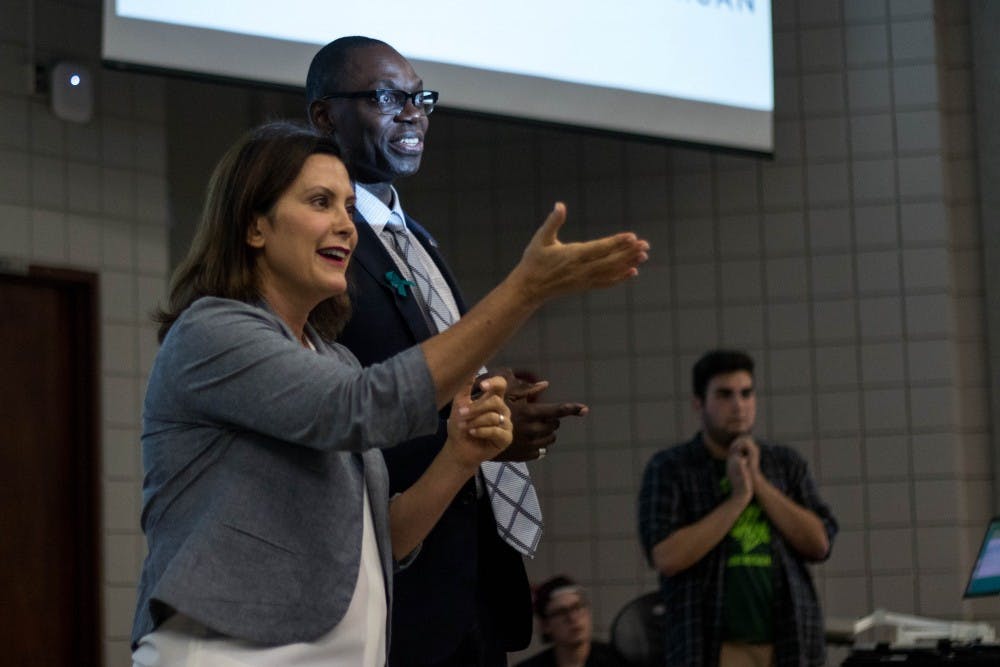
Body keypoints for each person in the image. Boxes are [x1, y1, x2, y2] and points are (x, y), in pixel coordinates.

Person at [129, 121, 649, 665]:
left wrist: (459, 456)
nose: (347, 226)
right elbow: (358, 408)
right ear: (255, 227)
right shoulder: (211, 331)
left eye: (349, 207)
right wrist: (526, 290)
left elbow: (387, 540)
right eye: (321, 202)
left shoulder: (333, 357)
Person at [307, 36, 594, 666]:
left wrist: (494, 416)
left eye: (421, 99)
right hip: (398, 584)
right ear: (326, 117)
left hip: (474, 582)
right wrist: (457, 434)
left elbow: (441, 383)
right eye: (387, 98)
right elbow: (350, 408)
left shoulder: (418, 239)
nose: (412, 114)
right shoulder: (326, 250)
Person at [638, 350, 837, 667]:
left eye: (746, 393)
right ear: (698, 404)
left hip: (789, 642)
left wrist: (757, 482)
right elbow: (667, 557)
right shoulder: (671, 468)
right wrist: (738, 499)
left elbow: (819, 544)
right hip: (711, 646)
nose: (738, 405)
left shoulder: (784, 464)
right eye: (724, 394)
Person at [516, 576, 626, 667]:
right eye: (561, 612)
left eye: (577, 607)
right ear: (545, 625)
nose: (573, 618)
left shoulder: (621, 661)